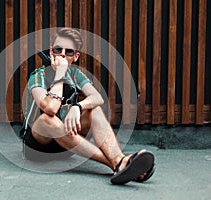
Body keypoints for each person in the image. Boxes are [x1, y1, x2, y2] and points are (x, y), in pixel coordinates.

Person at [21, 28, 155, 185]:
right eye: (58, 49)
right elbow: (50, 108)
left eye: (69, 52)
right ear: (51, 52)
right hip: (37, 148)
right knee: (47, 119)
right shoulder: (38, 75)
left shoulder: (76, 74)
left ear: (76, 57)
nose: (62, 54)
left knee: (94, 109)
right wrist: (60, 74)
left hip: (66, 145)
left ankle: (120, 160)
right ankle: (117, 164)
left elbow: (97, 98)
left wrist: (77, 106)